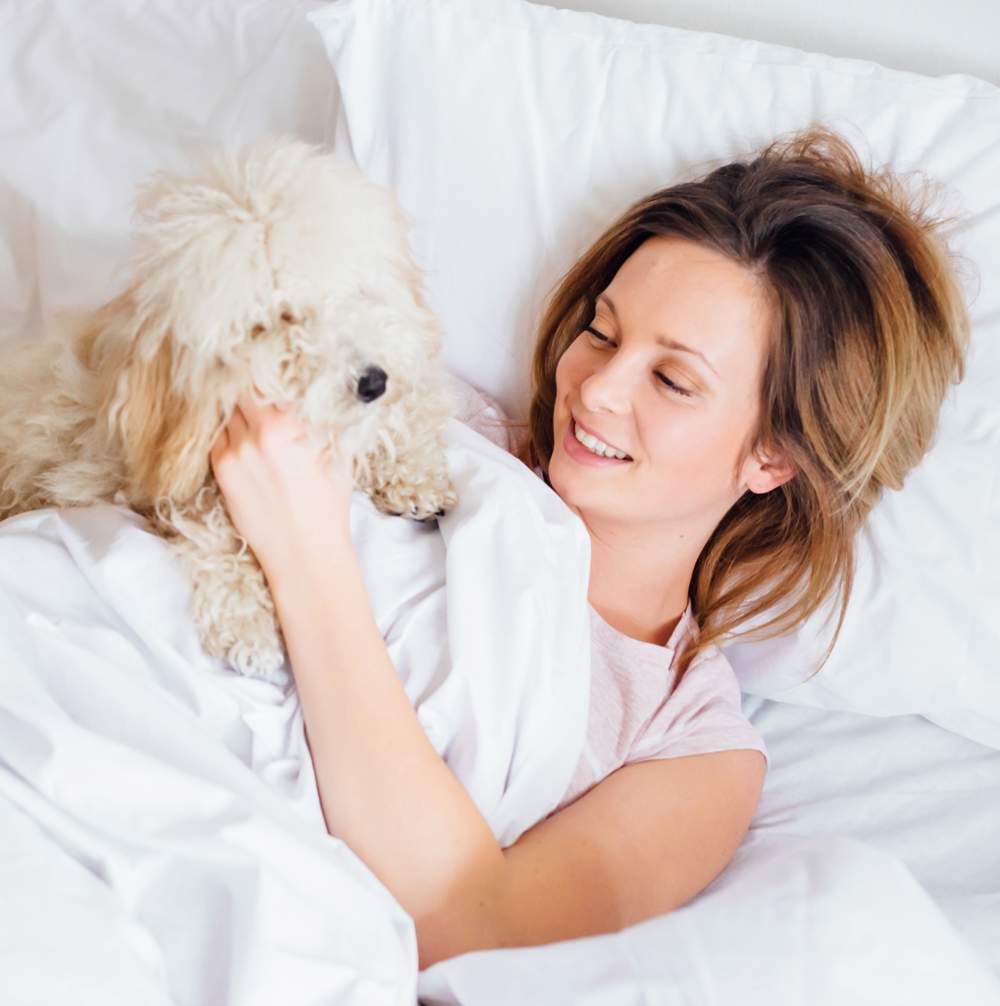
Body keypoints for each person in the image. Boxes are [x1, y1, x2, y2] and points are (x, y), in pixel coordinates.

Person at [209, 124, 970, 970]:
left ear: (775, 455)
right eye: (602, 334)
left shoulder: (690, 746)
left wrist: (307, 559)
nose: (596, 390)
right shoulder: (426, 419)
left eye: (673, 380)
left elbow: (468, 929)